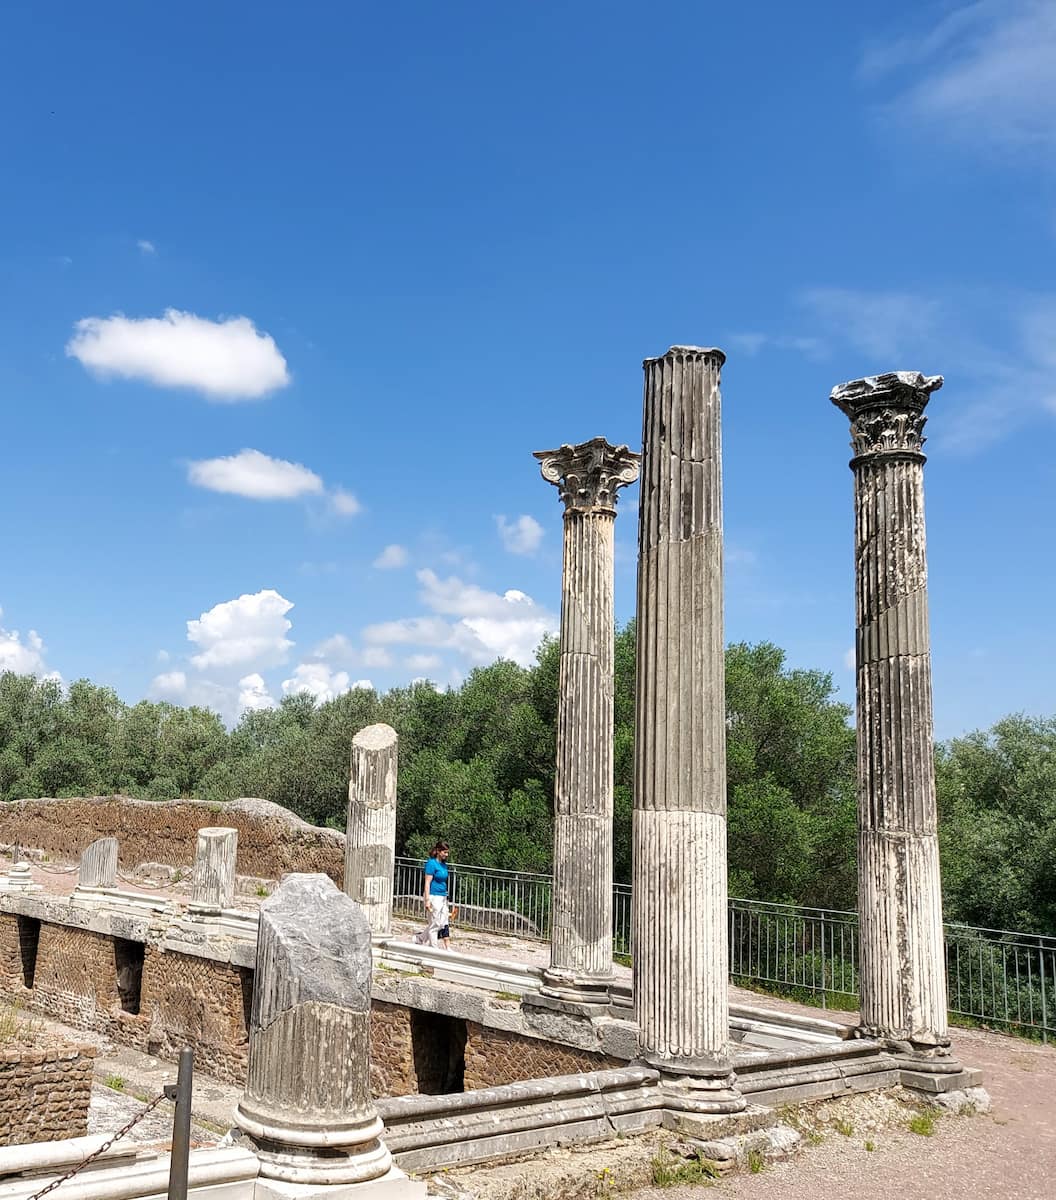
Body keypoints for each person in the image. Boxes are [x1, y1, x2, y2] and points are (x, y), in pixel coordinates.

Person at [416, 840, 453, 950]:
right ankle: (433, 948)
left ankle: (420, 938)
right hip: (433, 895)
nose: (446, 855)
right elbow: (427, 882)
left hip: (442, 896)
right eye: (444, 852)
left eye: (447, 853)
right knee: (435, 923)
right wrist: (427, 900)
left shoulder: (444, 865)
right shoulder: (431, 864)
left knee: (441, 923)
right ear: (438, 851)